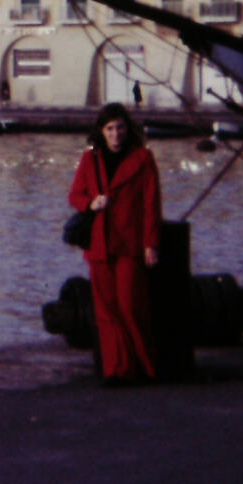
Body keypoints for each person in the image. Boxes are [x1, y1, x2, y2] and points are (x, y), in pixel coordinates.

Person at [67, 103, 161, 384]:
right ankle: (117, 370)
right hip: (99, 244)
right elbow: (75, 195)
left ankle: (147, 367)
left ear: (127, 129)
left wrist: (151, 244)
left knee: (131, 306)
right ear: (101, 132)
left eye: (120, 127)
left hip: (129, 243)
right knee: (106, 311)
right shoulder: (90, 160)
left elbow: (151, 204)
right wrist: (90, 202)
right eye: (110, 129)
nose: (116, 134)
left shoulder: (143, 158)